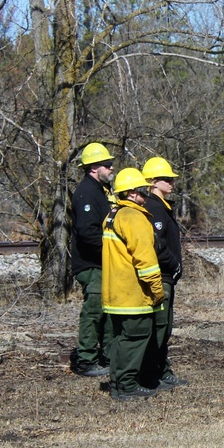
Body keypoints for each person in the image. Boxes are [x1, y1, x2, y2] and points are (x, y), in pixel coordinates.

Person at [102, 168, 165, 401]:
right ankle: (127, 384)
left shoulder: (112, 215)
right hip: (133, 293)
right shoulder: (134, 218)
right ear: (130, 193)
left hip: (115, 292)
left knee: (121, 337)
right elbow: (145, 260)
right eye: (142, 191)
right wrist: (157, 290)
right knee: (135, 337)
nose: (146, 195)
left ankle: (118, 382)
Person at [141, 156, 189, 391]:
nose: (171, 183)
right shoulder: (153, 207)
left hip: (168, 276)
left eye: (171, 179)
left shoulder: (163, 206)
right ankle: (150, 374)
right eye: (166, 179)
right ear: (152, 181)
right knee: (159, 326)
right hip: (161, 276)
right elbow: (156, 243)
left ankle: (161, 369)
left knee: (165, 326)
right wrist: (173, 264)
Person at [70, 142, 115, 377]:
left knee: (107, 312)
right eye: (108, 165)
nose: (112, 168)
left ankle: (107, 358)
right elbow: (87, 233)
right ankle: (86, 361)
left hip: (102, 264)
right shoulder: (86, 192)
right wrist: (111, 252)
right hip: (91, 264)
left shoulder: (100, 191)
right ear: (93, 168)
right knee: (94, 310)